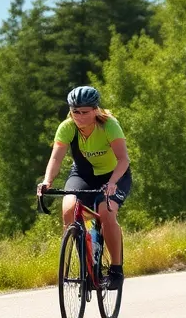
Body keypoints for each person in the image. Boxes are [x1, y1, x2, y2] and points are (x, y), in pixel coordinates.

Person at [37, 85, 133, 291]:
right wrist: (47, 181)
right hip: (83, 174)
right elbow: (56, 157)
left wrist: (113, 182)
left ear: (95, 110)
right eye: (75, 112)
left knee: (106, 212)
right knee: (69, 208)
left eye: (85, 112)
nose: (79, 116)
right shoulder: (67, 127)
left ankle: (116, 269)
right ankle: (87, 266)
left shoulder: (109, 125)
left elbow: (123, 159)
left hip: (114, 174)